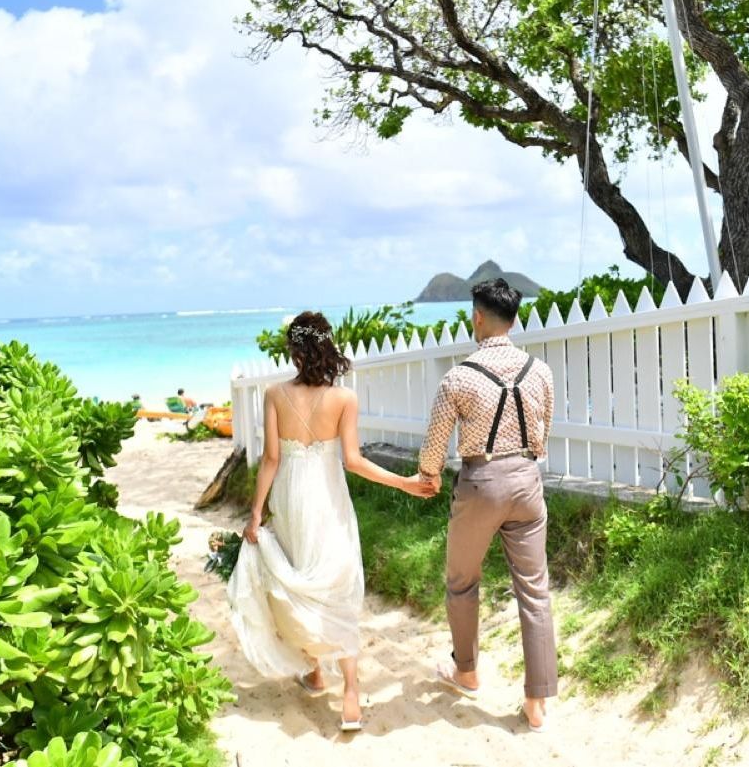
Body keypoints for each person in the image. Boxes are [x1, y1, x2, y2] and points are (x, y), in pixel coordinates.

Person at [228, 310, 435, 732]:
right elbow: (354, 461)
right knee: (336, 584)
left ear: (294, 350)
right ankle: (351, 693)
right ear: (326, 347)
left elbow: (271, 459)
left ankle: (315, 671)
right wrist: (404, 483)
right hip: (328, 498)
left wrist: (255, 512)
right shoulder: (344, 399)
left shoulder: (274, 394)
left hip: (290, 497)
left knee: (299, 578)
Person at [417, 278, 558, 732]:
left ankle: (467, 671)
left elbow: (434, 445)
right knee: (534, 591)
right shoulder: (540, 371)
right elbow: (545, 428)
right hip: (527, 480)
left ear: (477, 317)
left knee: (462, 581)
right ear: (513, 320)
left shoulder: (458, 377)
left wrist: (428, 476)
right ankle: (537, 703)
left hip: (480, 482)